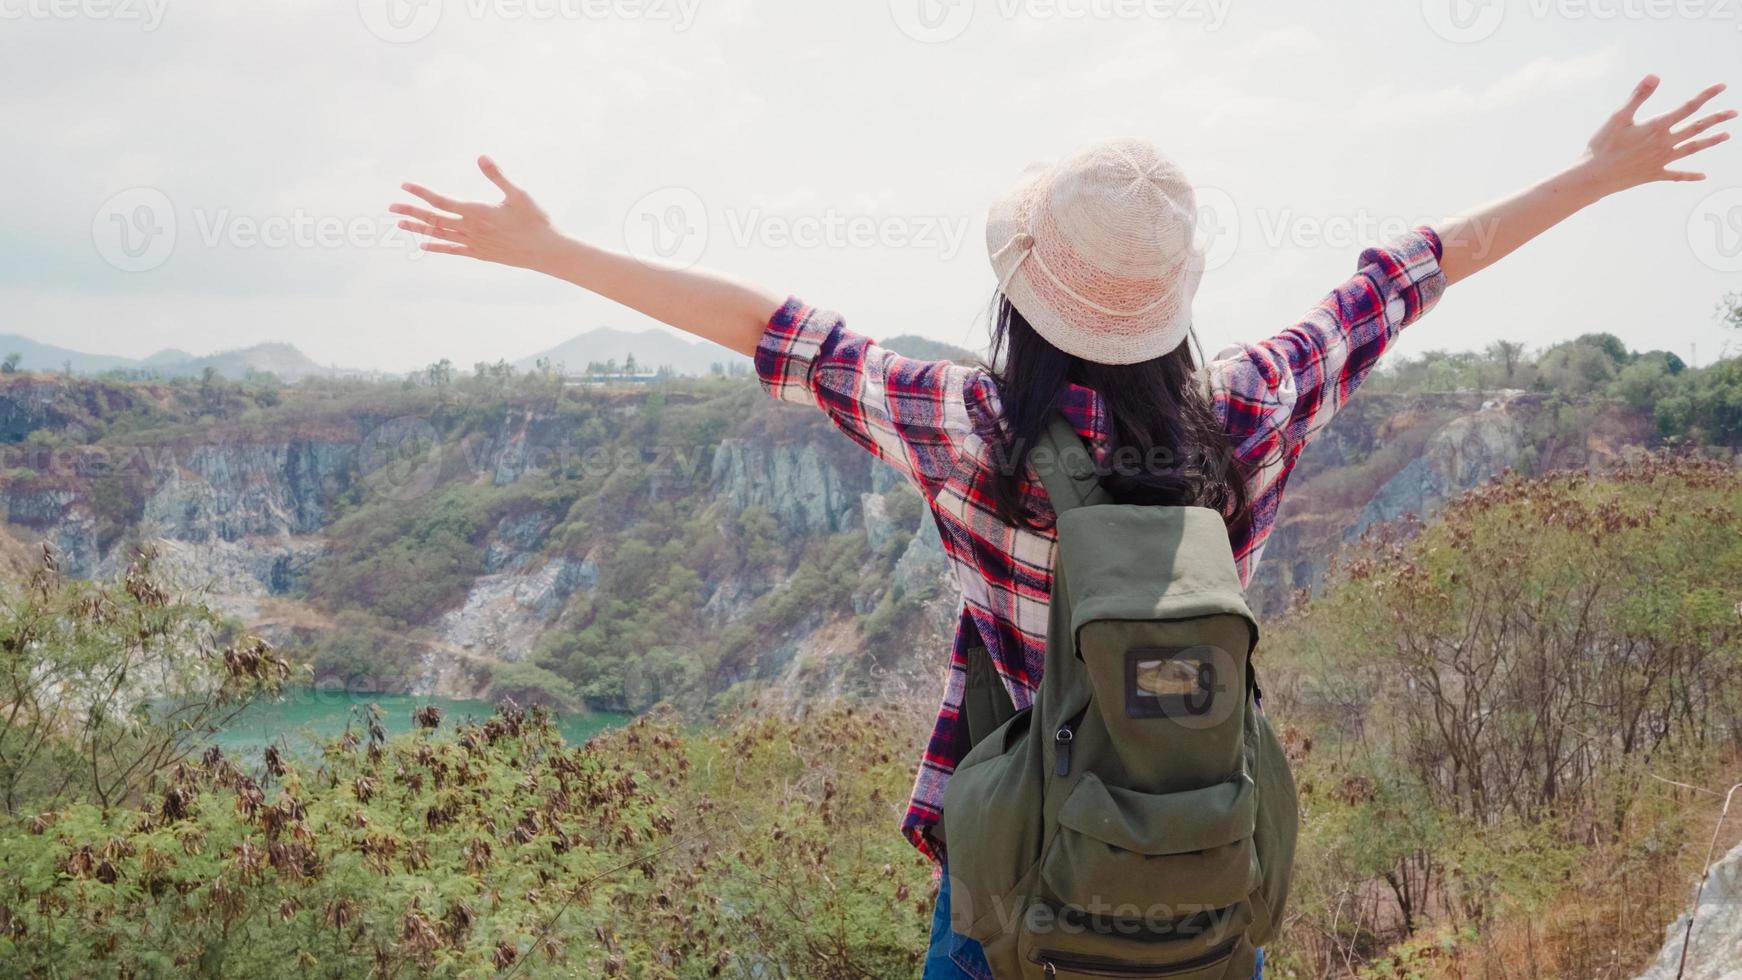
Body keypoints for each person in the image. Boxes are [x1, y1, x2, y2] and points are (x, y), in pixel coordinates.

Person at [391, 74, 1731, 978]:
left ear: (1020, 285)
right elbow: (1403, 275)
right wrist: (1598, 174)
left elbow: (773, 329)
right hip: (1203, 867)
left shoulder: (962, 422)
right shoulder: (1250, 410)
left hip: (1011, 877)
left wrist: (551, 251)